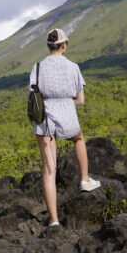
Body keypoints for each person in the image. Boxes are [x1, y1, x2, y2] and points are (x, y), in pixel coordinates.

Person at [30, 27, 100, 227]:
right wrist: (66, 103)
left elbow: (34, 95)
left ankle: (54, 221)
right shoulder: (73, 67)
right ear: (64, 45)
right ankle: (85, 179)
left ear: (49, 46)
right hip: (67, 114)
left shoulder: (37, 67)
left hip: (45, 121)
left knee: (49, 171)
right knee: (78, 138)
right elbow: (80, 100)